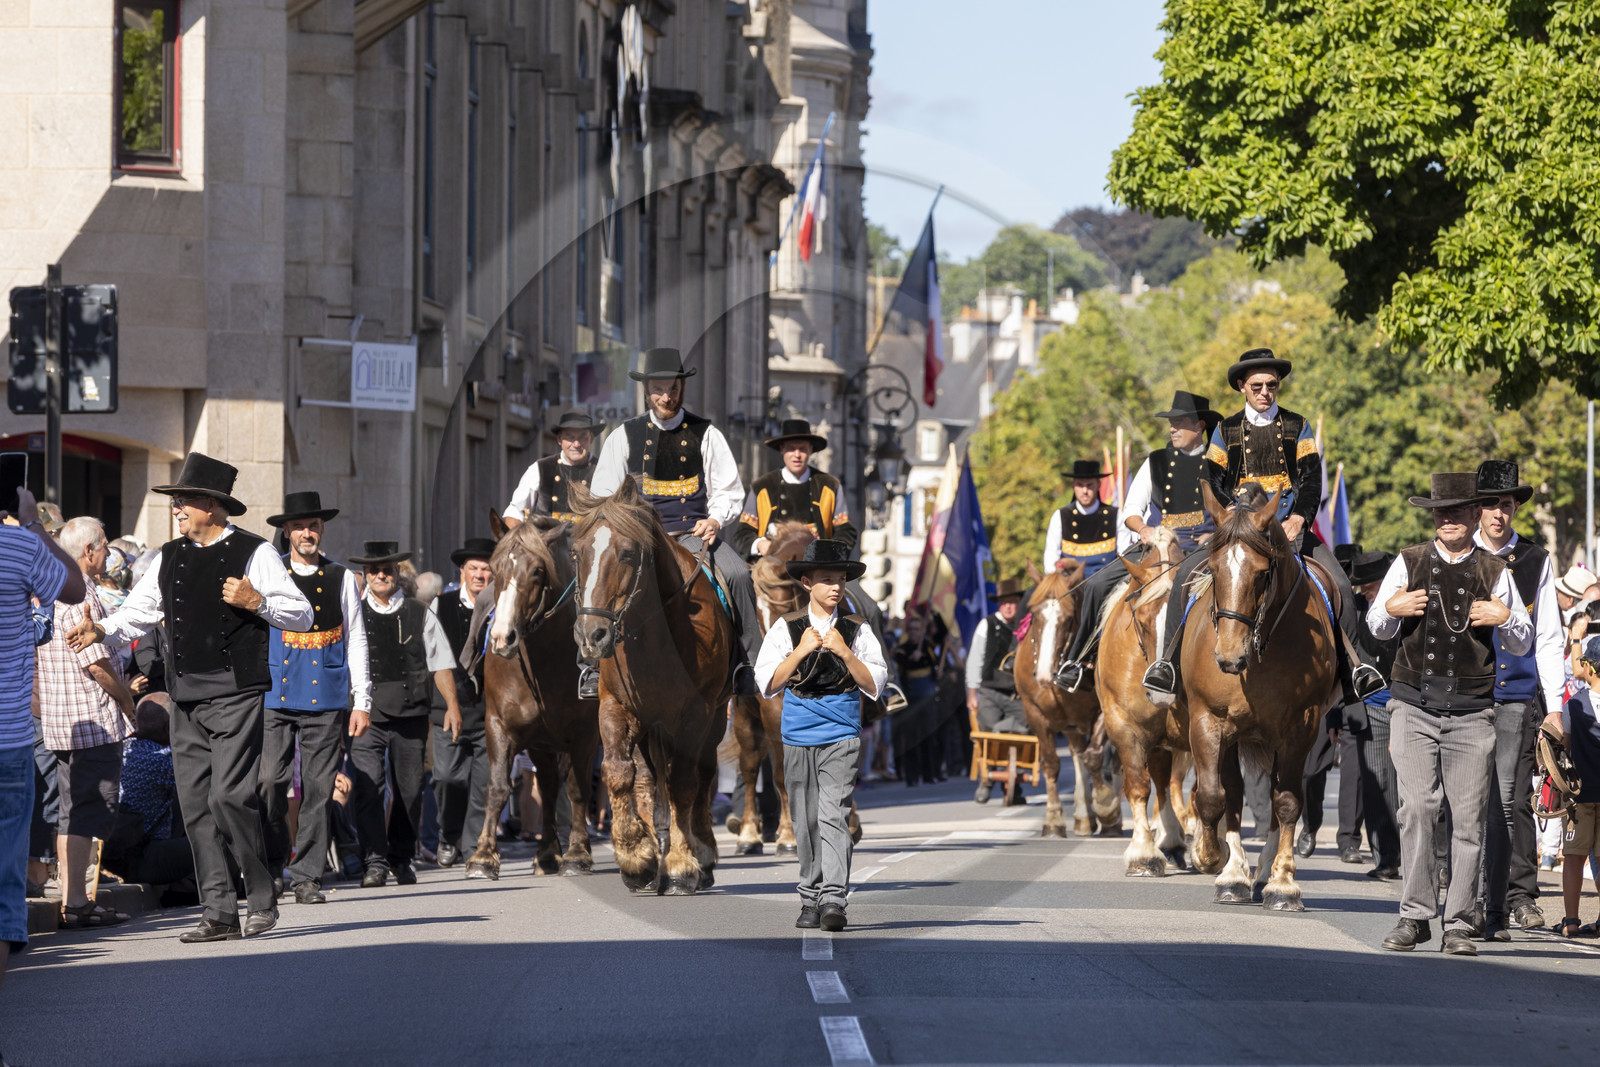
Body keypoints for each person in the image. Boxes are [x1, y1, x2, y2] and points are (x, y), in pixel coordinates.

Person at [67, 453, 313, 943]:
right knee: (196, 804)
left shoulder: (255, 552)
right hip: (185, 697)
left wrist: (258, 602)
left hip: (236, 692)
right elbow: (136, 615)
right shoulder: (166, 557)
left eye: (184, 500)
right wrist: (100, 630)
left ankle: (261, 895)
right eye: (175, 500)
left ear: (213, 506)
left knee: (228, 796)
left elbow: (302, 614)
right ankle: (219, 913)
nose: (176, 507)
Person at [1143, 348, 1382, 705]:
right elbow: (1212, 478)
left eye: (1272, 385)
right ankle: (1169, 666)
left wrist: (1299, 517)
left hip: (1290, 529)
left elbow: (1312, 479)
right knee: (1182, 578)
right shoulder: (1226, 430)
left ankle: (1353, 672)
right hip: (1239, 530)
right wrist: (1228, 517)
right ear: (1242, 386)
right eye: (1257, 385)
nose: (1265, 392)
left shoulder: (1298, 426)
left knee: (1343, 587)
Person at [1367, 472, 1532, 955]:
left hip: (1472, 711)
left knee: (1468, 817)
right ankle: (1415, 916)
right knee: (1417, 808)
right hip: (1413, 704)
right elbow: (1377, 628)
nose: (1448, 519)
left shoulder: (1496, 570)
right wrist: (1392, 608)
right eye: (1441, 512)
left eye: (1457, 511)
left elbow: (1521, 639)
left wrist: (1507, 619)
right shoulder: (1409, 560)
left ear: (1474, 514)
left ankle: (1459, 922)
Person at [587, 347, 762, 697]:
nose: (666, 396)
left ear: (682, 387)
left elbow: (729, 491)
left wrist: (715, 520)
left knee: (741, 574)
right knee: (592, 579)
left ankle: (749, 664)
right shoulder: (624, 436)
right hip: (640, 542)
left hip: (692, 535)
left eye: (673, 388)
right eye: (658, 388)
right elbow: (603, 496)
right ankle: (590, 666)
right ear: (647, 390)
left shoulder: (706, 433)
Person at [753, 539, 886, 933]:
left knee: (833, 813)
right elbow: (768, 684)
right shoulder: (786, 627)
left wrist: (846, 652)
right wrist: (801, 650)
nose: (836, 588)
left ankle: (833, 899)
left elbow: (875, 683)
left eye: (841, 580)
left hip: (842, 734)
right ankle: (809, 898)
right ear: (807, 582)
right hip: (796, 736)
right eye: (827, 580)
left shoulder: (857, 628)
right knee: (805, 818)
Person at [1055, 391, 1221, 692]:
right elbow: (1131, 510)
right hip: (1156, 544)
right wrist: (1143, 528)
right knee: (1095, 585)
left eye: (1179, 422)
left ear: (1199, 426)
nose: (1172, 428)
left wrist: (1217, 534)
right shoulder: (1155, 461)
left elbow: (1232, 509)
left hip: (1202, 548)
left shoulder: (1219, 462)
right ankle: (1079, 659)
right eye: (1170, 422)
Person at [0, 487, 85, 1046]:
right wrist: (32, 525)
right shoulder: (16, 545)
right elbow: (75, 588)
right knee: (3, 891)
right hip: (6, 742)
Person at [260, 490, 371, 906]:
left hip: (326, 695)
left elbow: (357, 640)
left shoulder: (343, 577)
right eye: (299, 526)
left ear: (321, 529)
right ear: (286, 530)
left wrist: (362, 701)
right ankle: (273, 866)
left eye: (313, 525)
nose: (307, 532)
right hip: (276, 692)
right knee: (270, 781)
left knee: (319, 788)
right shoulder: (270, 575)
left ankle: (307, 875)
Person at [1472, 461, 1561, 937]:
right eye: (1489, 504)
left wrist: (1555, 709)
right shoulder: (1457, 553)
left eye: (1505, 504)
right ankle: (1463, 885)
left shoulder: (1534, 560)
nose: (1498, 514)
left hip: (1519, 692)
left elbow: (1548, 637)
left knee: (1516, 800)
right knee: (1465, 796)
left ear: (1514, 508)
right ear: (1477, 509)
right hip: (1468, 693)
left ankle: (1519, 895)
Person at [39, 517, 137, 928]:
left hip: (64, 720)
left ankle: (73, 898)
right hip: (90, 720)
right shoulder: (78, 595)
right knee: (86, 810)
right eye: (104, 545)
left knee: (71, 812)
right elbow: (96, 665)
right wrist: (130, 701)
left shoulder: (49, 589)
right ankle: (77, 901)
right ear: (90, 550)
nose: (108, 552)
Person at [348, 540, 460, 888]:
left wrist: (452, 707)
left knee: (410, 790)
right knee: (368, 789)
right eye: (374, 570)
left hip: (411, 714)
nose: (381, 574)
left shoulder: (419, 612)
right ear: (365, 575)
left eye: (387, 569)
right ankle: (374, 860)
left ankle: (401, 857)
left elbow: (440, 663)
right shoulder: (351, 612)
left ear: (397, 573)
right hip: (366, 715)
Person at [432, 538, 493, 868]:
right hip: (448, 706)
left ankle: (472, 848)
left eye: (486, 568)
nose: (480, 575)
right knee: (447, 777)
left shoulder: (501, 605)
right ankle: (447, 833)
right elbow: (434, 658)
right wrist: (448, 703)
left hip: (488, 710)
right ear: (462, 571)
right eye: (474, 568)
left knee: (484, 784)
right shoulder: (440, 605)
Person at [1344, 549, 1403, 880]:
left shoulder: (1411, 607)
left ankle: (1435, 862)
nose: (1365, 591)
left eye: (1371, 585)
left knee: (1422, 784)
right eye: (1362, 586)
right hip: (1370, 705)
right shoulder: (1352, 611)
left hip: (1410, 702)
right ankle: (1386, 858)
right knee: (1378, 785)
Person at [103, 695, 193, 890]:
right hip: (140, 858)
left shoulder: (122, 749)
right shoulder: (166, 760)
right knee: (212, 843)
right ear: (169, 727)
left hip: (110, 855)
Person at [731, 418, 858, 557]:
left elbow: (845, 530)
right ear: (782, 449)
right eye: (791, 449)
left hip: (816, 565)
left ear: (811, 449)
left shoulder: (829, 485)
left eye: (802, 449)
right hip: (771, 564)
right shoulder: (762, 487)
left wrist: (830, 552)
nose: (797, 455)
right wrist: (760, 544)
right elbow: (743, 532)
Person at [1552, 637, 1600, 937]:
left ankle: (1571, 920)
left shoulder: (1575, 705)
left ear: (1589, 667)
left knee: (1573, 856)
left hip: (1580, 792)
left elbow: (1565, 748)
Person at [503, 409, 603, 527]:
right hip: (545, 543)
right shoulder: (540, 469)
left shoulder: (603, 471)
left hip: (589, 544)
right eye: (570, 437)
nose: (576, 444)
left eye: (582, 437)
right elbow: (515, 511)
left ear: (591, 438)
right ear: (559, 439)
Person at [966, 578, 1029, 741]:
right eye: (1004, 602)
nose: (1007, 606)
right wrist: (972, 693)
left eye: (1012, 602)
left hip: (1017, 694)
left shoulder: (1027, 626)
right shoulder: (987, 625)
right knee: (988, 731)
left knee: (1026, 728)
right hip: (990, 692)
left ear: (1019, 603)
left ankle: (1017, 766)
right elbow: (975, 660)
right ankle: (993, 761)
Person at [1042, 459, 1119, 578]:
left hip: (1105, 582)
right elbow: (1051, 554)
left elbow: (1123, 553)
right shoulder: (1060, 516)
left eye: (1089, 485)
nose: (1085, 491)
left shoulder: (1115, 515)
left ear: (1098, 485)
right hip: (1068, 582)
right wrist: (1055, 578)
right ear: (1073, 485)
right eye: (1080, 485)